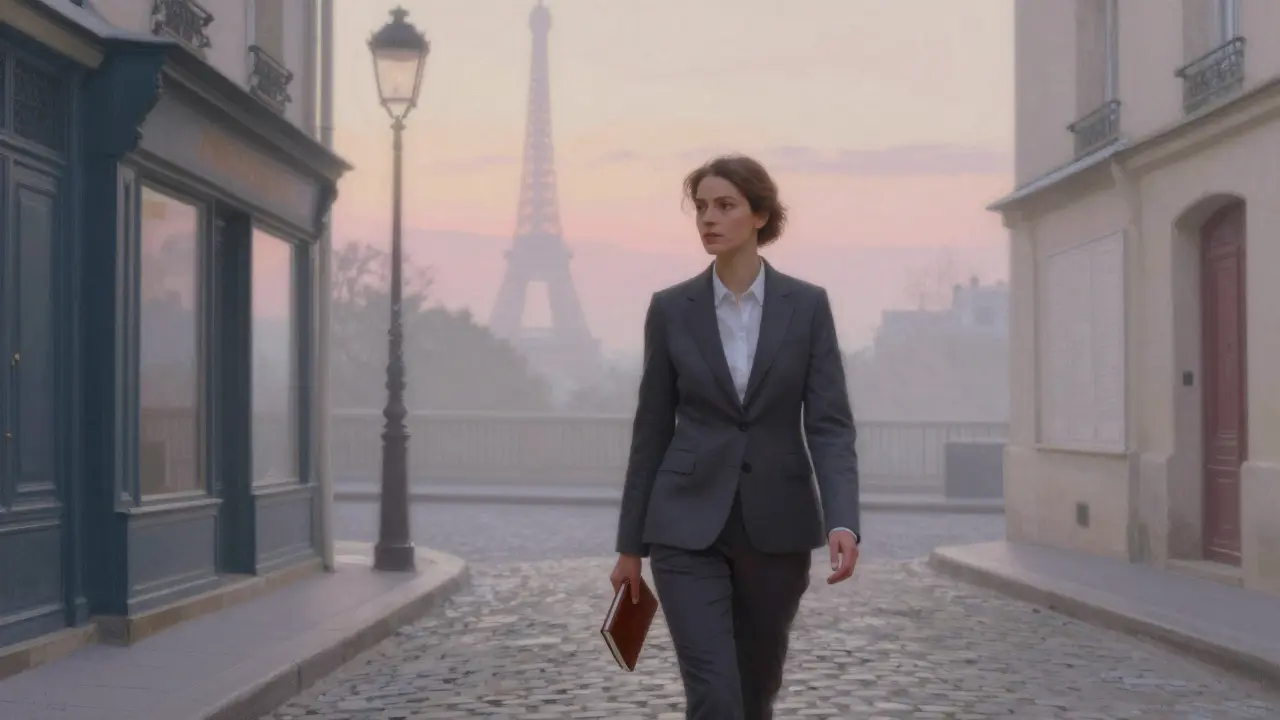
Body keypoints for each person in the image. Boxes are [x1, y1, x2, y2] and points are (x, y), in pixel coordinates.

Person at [610, 154, 861, 719]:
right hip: (684, 528)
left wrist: (842, 518)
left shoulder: (808, 306)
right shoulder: (672, 309)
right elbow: (650, 431)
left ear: (760, 215)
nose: (708, 219)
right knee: (715, 695)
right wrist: (631, 546)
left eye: (724, 206)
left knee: (755, 690)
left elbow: (829, 423)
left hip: (777, 528)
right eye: (700, 207)